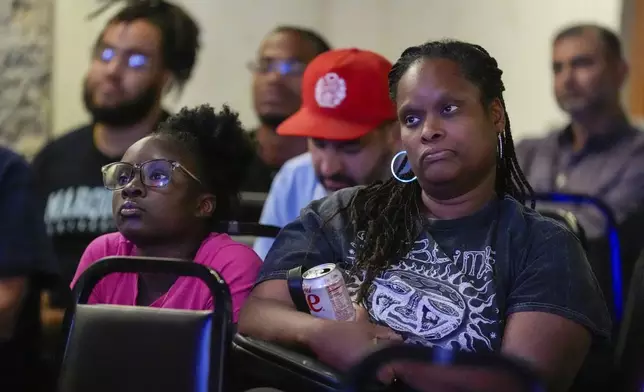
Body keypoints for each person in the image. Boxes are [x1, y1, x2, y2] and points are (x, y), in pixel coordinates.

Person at [238, 40, 610, 392]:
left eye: (449, 109)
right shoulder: (343, 212)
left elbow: (521, 381)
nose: (429, 131)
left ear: (494, 114)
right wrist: (319, 334)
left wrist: (382, 360)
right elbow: (258, 313)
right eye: (412, 118)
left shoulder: (543, 244)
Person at [32, 0, 201, 294]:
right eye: (105, 54)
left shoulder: (189, 161)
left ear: (167, 77)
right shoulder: (52, 158)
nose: (112, 70)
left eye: (136, 61)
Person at [71, 104, 261, 320]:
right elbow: (76, 349)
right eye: (123, 177)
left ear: (203, 205)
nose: (130, 188)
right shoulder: (103, 255)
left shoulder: (231, 267)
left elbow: (222, 354)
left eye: (158, 176)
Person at [253, 48, 400, 260]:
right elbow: (263, 274)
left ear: (395, 134)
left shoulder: (429, 188)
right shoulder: (294, 178)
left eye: (350, 146)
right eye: (318, 144)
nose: (329, 168)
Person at [516, 24, 644, 240]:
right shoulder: (528, 152)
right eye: (558, 68)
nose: (566, 79)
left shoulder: (638, 156)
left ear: (620, 71)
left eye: (581, 64)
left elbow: (594, 235)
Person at [242, 25, 332, 193]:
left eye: (293, 67)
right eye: (265, 66)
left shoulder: (335, 169)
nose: (273, 78)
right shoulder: (223, 161)